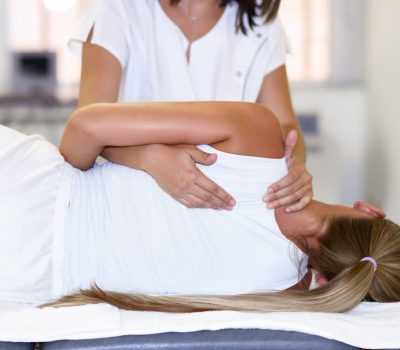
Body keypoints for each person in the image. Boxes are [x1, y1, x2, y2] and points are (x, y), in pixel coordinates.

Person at [1, 101, 398, 314]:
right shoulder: (282, 296)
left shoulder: (257, 135)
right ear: (335, 283)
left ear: (369, 210)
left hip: (27, 183)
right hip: (27, 282)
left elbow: (83, 132)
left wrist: (146, 157)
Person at [69, 0, 313, 213]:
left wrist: (295, 167)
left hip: (226, 205)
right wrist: (150, 159)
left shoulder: (260, 21)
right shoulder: (118, 8)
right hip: (133, 200)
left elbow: (286, 124)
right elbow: (90, 127)